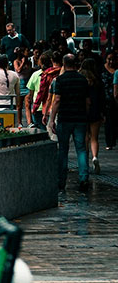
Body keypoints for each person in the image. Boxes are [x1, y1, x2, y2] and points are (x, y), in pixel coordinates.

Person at [47, 54, 91, 192]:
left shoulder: (60, 80)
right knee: (81, 149)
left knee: (63, 151)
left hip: (65, 119)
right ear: (76, 63)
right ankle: (84, 178)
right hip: (80, 119)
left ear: (64, 64)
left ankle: (61, 181)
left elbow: (57, 100)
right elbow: (88, 101)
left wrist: (51, 119)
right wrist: (86, 116)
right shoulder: (83, 80)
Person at [81, 60, 106, 175]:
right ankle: (95, 157)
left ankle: (85, 160)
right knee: (94, 138)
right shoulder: (98, 82)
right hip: (96, 111)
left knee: (85, 136)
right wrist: (102, 113)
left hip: (83, 111)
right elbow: (102, 99)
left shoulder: (80, 81)